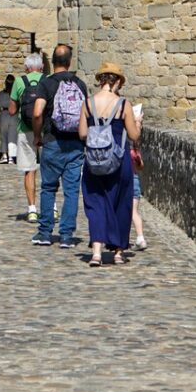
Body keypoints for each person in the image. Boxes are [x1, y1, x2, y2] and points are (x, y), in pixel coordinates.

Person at [79, 63, 139, 265]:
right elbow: (133, 135)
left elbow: (82, 134)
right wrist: (138, 123)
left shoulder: (88, 103)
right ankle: (118, 253)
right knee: (121, 202)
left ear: (101, 80)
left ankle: (96, 253)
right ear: (118, 81)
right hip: (119, 160)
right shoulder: (123, 104)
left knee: (96, 203)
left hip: (94, 160)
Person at [31, 43, 89, 249]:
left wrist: (37, 135)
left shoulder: (46, 84)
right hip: (75, 144)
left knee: (48, 188)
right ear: (69, 62)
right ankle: (66, 236)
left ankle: (45, 233)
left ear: (52, 61)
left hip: (52, 141)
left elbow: (37, 112)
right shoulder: (80, 85)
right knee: (71, 191)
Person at [11, 52, 44, 222]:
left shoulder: (19, 81)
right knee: (48, 169)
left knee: (29, 171)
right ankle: (52, 208)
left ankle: (32, 209)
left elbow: (11, 110)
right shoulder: (48, 80)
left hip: (25, 129)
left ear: (26, 68)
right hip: (45, 130)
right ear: (42, 67)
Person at [130, 97, 147, 250]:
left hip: (122, 180)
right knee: (134, 211)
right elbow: (141, 166)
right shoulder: (134, 150)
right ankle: (140, 237)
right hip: (134, 179)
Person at [0, 74, 18, 166]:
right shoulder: (16, 93)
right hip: (14, 115)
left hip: (4, 113)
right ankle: (12, 157)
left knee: (3, 136)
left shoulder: (2, 93)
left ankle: (4, 155)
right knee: (13, 136)